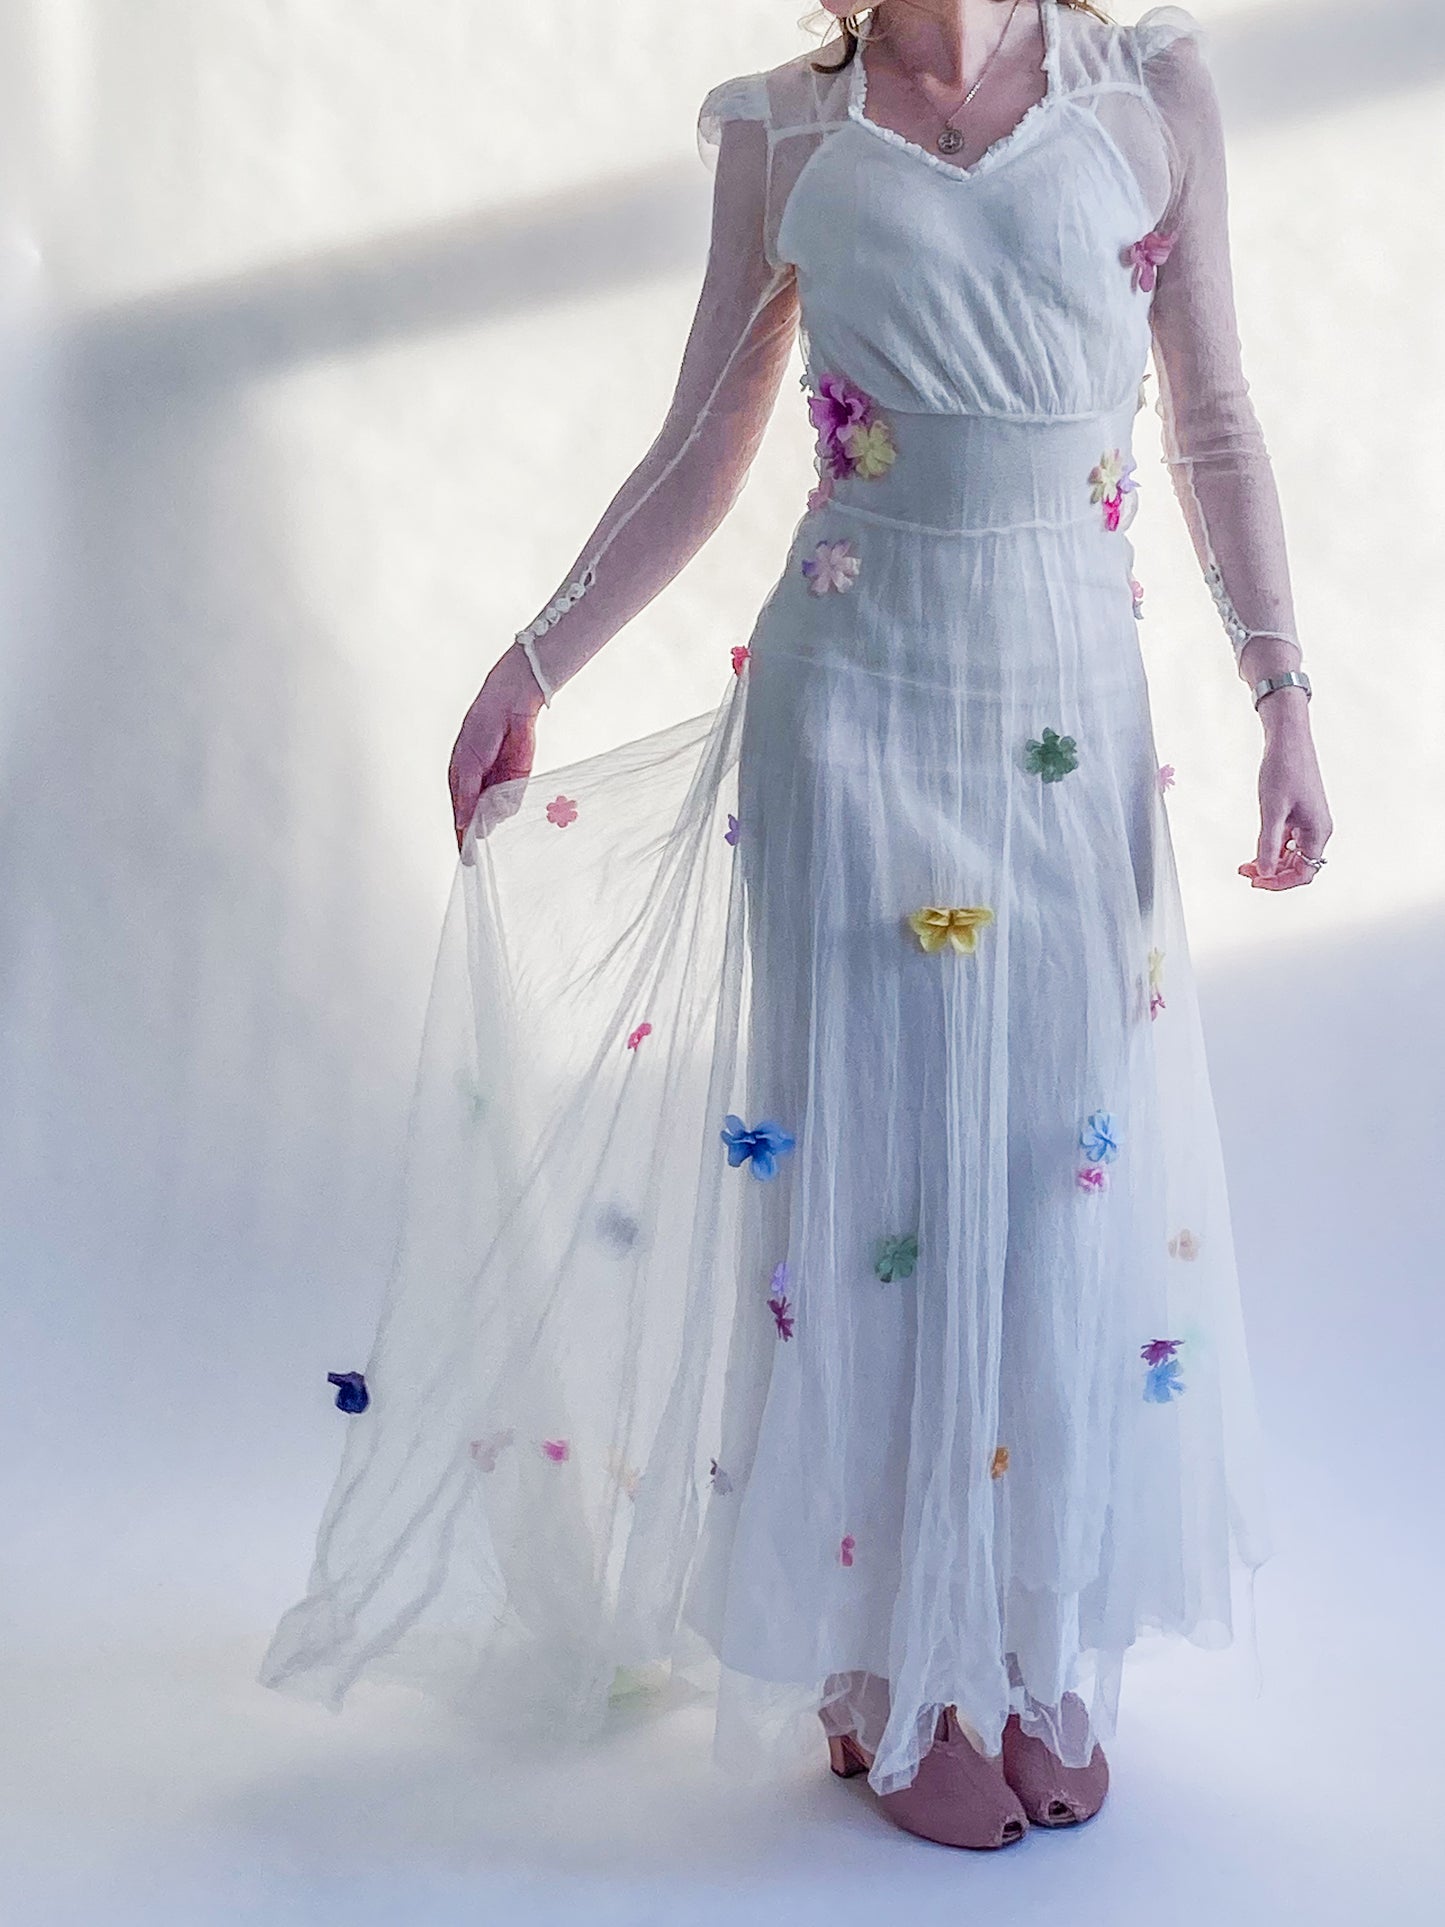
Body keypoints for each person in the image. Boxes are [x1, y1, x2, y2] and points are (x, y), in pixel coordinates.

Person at [262, 0, 1332, 1851]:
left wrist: (1283, 696)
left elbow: (1217, 413)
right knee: (881, 1184)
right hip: (857, 703)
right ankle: (881, 1666)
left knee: (1054, 1166)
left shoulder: (1144, 89)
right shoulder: (786, 129)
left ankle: (1021, 1635)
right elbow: (703, 444)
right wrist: (527, 666)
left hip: (1070, 716)